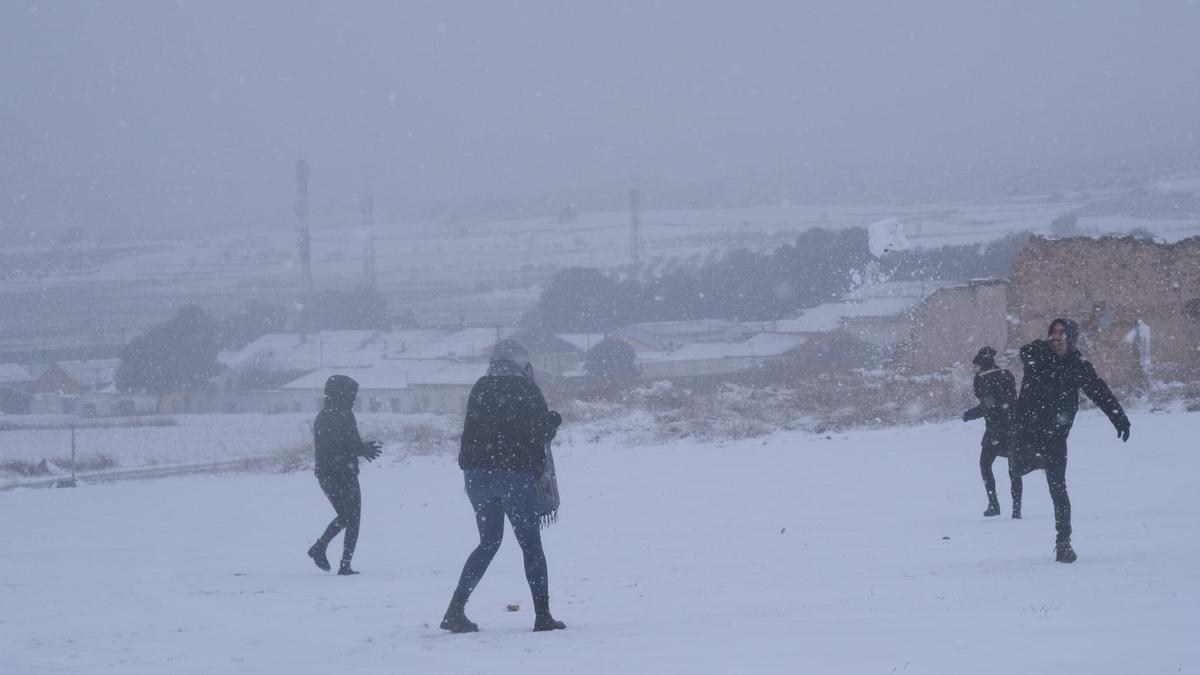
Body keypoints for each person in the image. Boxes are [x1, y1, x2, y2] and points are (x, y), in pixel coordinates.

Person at [440, 339, 565, 633]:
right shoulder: (527, 388)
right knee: (531, 546)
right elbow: (538, 434)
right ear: (522, 363)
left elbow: (477, 428)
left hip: (477, 476)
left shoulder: (480, 387)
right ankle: (543, 616)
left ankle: (454, 611)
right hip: (514, 476)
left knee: (488, 542)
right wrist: (553, 423)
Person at [1010, 318, 1130, 563]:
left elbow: (1099, 391)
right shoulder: (1038, 355)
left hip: (1055, 435)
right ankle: (1030, 464)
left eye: (1062, 333)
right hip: (1029, 431)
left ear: (1072, 337)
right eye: (1053, 332)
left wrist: (1119, 418)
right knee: (1017, 469)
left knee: (1058, 488)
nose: (1056, 336)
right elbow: (1026, 352)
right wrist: (1043, 350)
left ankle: (1063, 542)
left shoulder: (1078, 366)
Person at [306, 375, 382, 575]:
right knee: (352, 518)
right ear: (339, 394)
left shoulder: (325, 416)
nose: (353, 399)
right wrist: (363, 450)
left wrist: (362, 449)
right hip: (342, 473)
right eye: (351, 394)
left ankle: (321, 548)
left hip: (326, 474)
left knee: (346, 516)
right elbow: (347, 445)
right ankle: (343, 564)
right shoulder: (342, 416)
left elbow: (344, 446)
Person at [961, 346, 1020, 518]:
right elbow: (1011, 399)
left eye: (976, 366)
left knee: (985, 465)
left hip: (995, 430)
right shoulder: (1006, 374)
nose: (974, 369)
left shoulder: (982, 379)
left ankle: (994, 504)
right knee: (1014, 469)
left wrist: (968, 415)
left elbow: (988, 405)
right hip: (1013, 427)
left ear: (981, 365)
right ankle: (1017, 510)